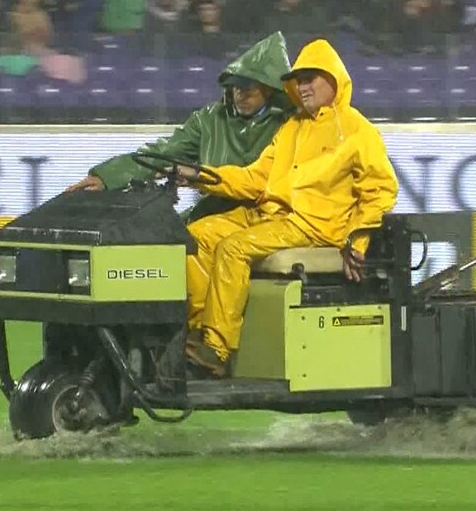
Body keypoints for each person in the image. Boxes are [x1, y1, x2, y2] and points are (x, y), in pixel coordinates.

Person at [178, 38, 399, 378]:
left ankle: (217, 350)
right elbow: (255, 179)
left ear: (335, 80)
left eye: (311, 78)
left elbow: (380, 189)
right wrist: (201, 176)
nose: (303, 86)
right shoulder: (292, 128)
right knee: (194, 237)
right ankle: (199, 331)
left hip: (311, 226)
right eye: (300, 79)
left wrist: (358, 240)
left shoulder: (358, 131)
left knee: (233, 248)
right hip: (270, 216)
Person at [63, 31, 295, 223]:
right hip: (212, 211)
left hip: (266, 216)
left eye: (248, 89)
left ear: (269, 88)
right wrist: (109, 176)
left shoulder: (290, 122)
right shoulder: (210, 119)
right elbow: (164, 152)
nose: (240, 95)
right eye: (236, 87)